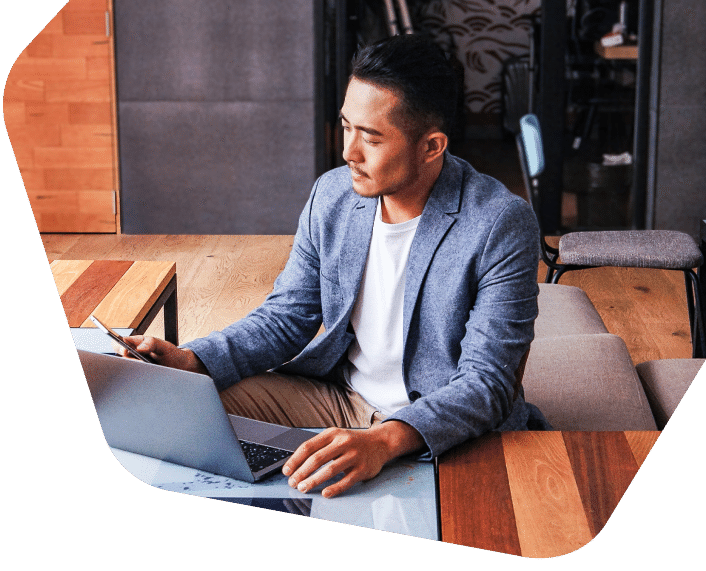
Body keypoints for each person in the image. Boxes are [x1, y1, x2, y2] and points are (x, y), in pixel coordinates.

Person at [117, 34, 544, 498]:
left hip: (440, 425)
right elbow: (287, 317)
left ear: (431, 146)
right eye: (346, 127)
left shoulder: (499, 223)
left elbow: (488, 382)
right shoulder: (333, 195)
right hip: (340, 400)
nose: (349, 152)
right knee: (184, 413)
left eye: (371, 137)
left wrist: (385, 440)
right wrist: (193, 360)